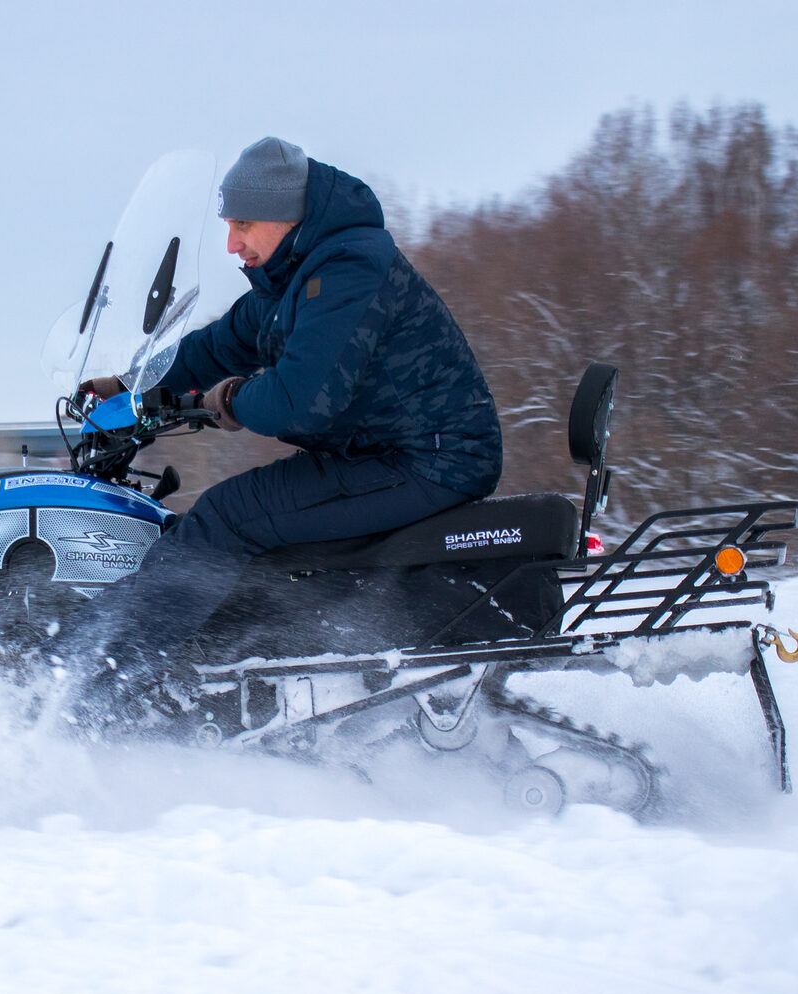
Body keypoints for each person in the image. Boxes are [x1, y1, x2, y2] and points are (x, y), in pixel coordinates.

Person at [68, 136, 502, 699]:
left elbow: (302, 397)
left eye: (243, 224)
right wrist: (132, 385)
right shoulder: (292, 278)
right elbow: (214, 347)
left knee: (228, 517)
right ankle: (179, 667)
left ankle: (100, 688)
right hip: (385, 452)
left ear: (285, 216)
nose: (231, 243)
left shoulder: (349, 269)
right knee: (202, 528)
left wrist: (227, 400)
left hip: (433, 459)